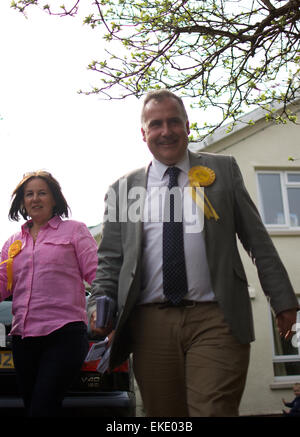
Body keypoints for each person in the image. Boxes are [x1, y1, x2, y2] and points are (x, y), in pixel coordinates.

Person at [87, 89, 298, 417]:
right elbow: (110, 258)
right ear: (143, 133)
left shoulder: (223, 171)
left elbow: (257, 240)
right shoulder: (123, 189)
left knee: (212, 410)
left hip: (216, 317)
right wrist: (98, 303)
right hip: (149, 322)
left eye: (174, 121)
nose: (166, 131)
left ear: (188, 126)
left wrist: (283, 299)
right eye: (156, 124)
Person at [0, 171, 98, 417]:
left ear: (54, 198)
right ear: (22, 202)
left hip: (64, 335)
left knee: (41, 410)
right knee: (35, 408)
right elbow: (3, 283)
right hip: (23, 339)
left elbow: (98, 275)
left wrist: (110, 312)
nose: (35, 199)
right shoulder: (13, 242)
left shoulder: (75, 231)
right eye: (29, 194)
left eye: (42, 193)